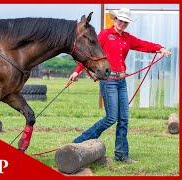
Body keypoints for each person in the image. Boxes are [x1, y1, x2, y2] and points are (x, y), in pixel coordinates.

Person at [68, 8, 171, 163]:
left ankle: (122, 155)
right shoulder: (104, 35)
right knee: (111, 118)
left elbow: (143, 44)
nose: (122, 24)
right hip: (108, 81)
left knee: (123, 119)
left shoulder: (127, 38)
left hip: (121, 82)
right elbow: (90, 54)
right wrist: (77, 71)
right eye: (120, 21)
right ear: (115, 20)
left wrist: (159, 48)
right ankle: (78, 142)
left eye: (125, 22)